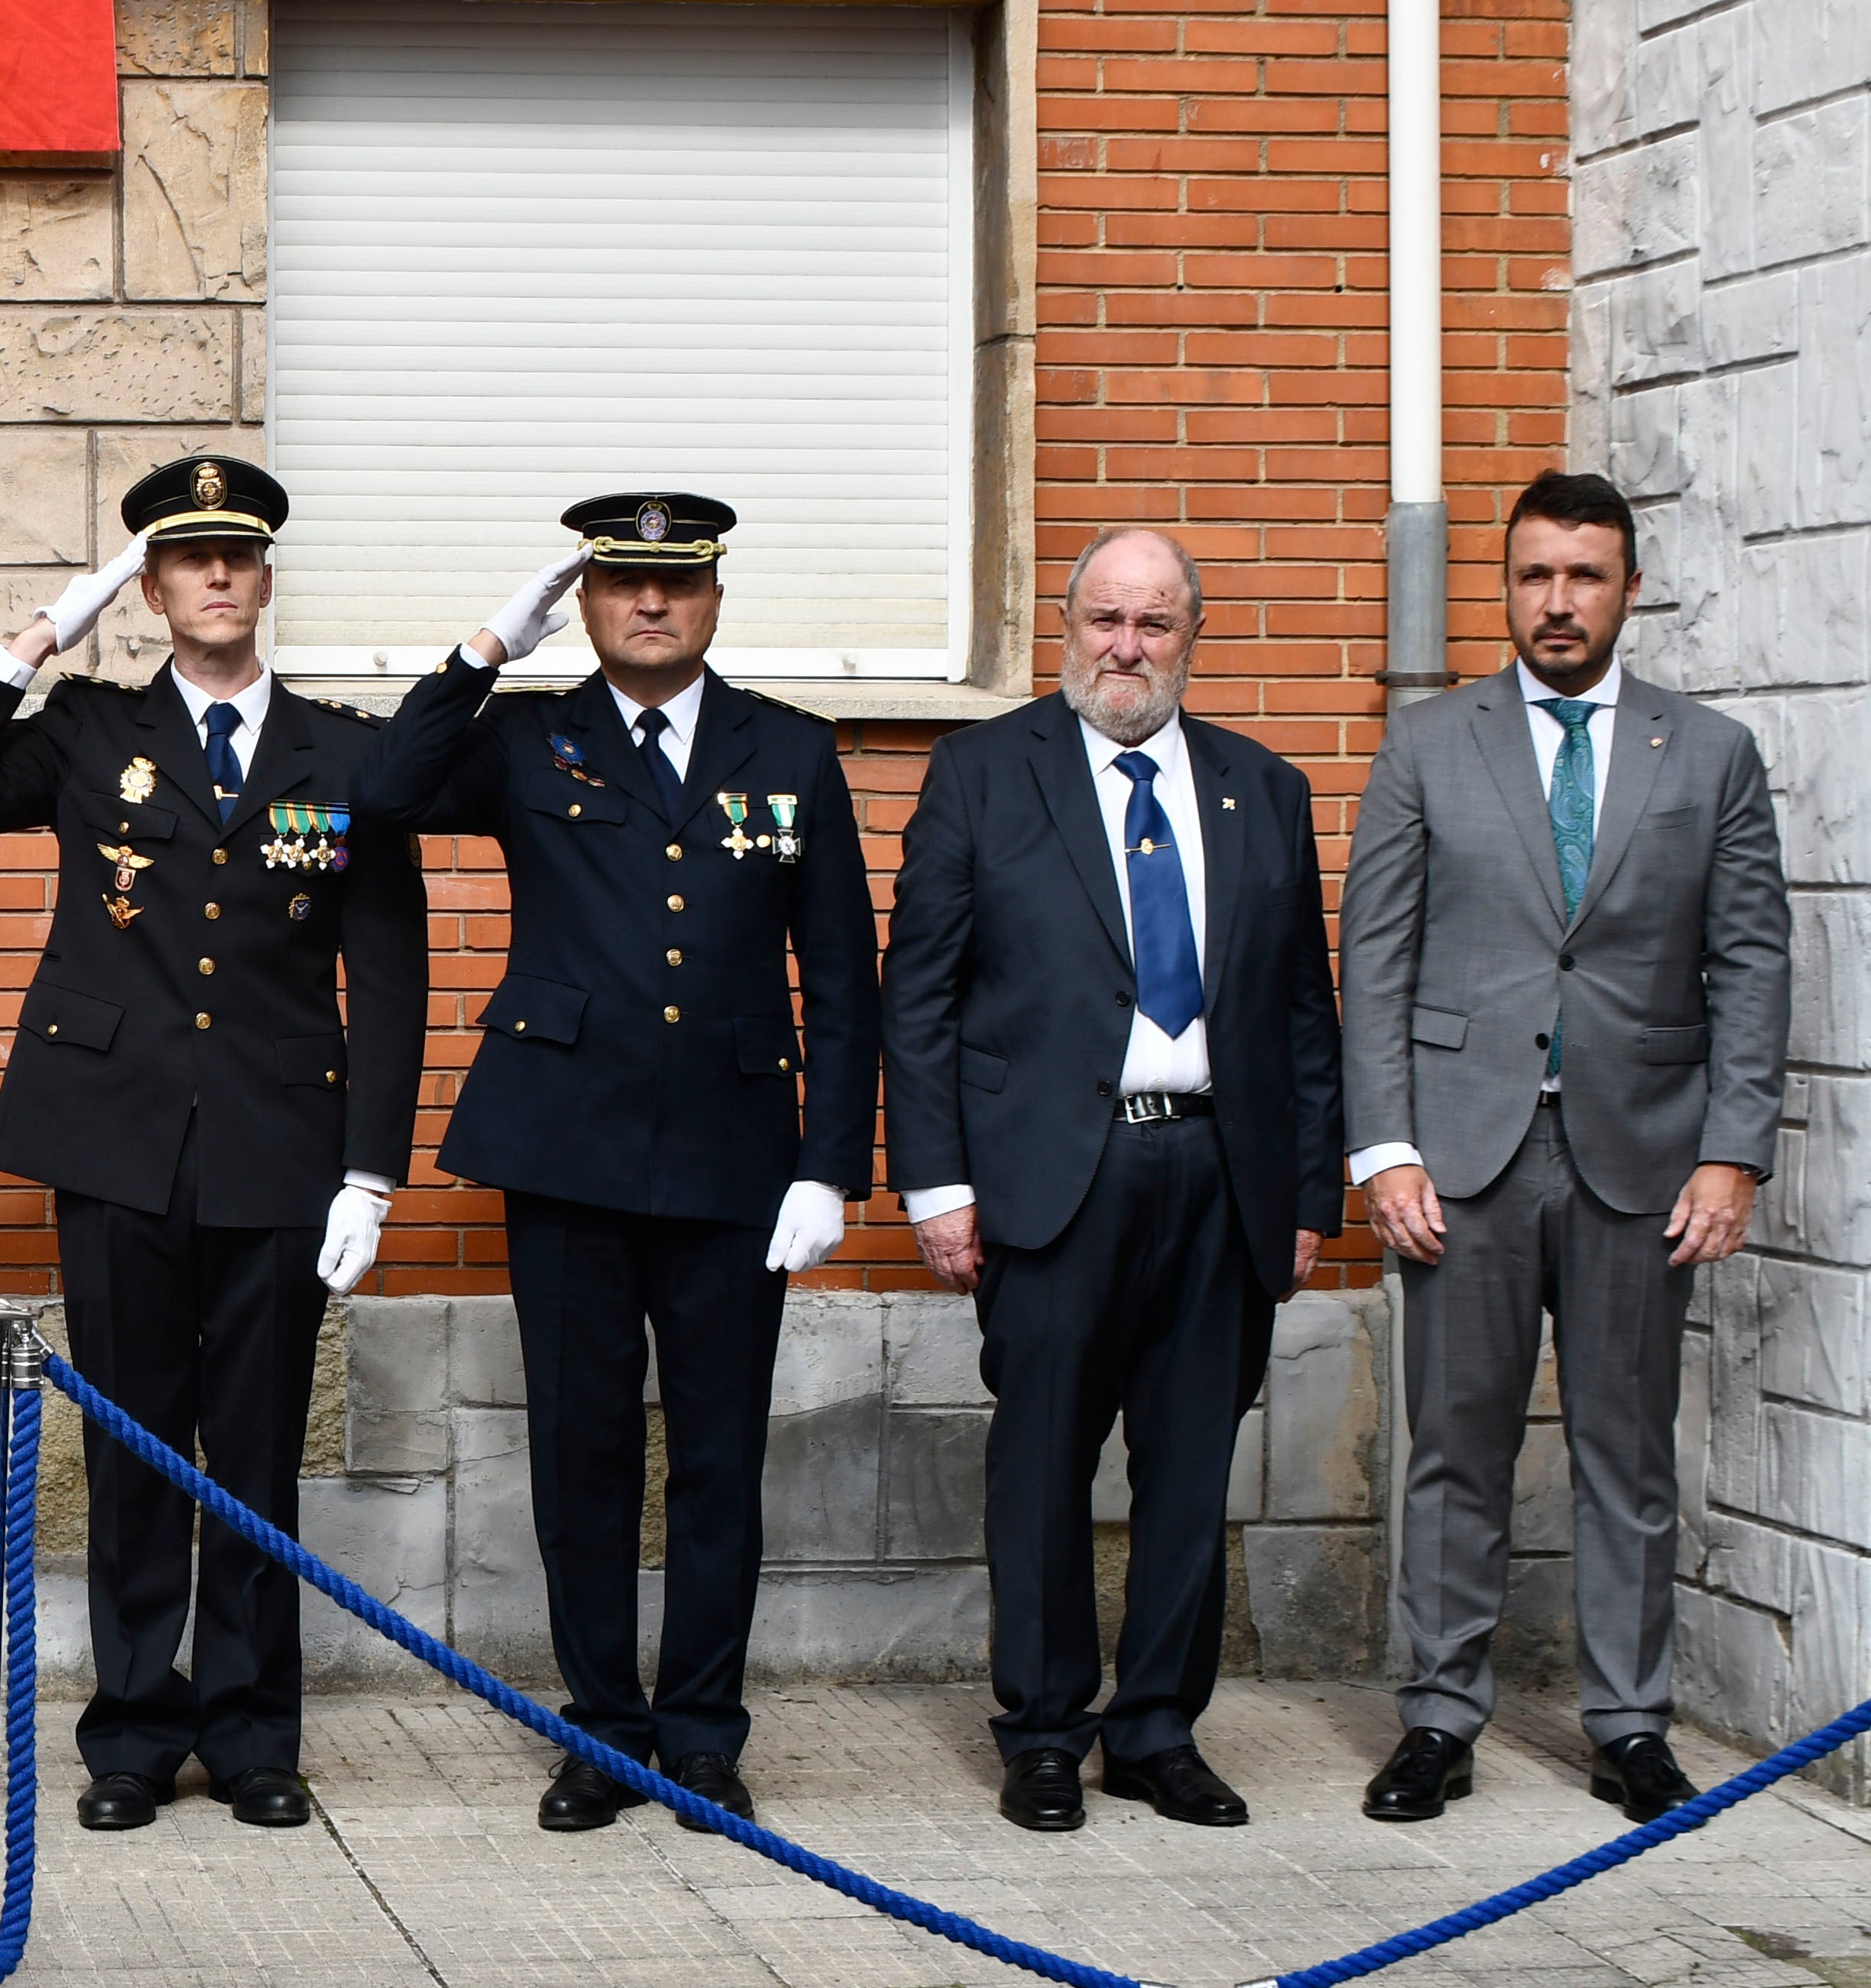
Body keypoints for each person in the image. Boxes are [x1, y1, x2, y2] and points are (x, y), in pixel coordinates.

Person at [0, 456, 425, 1834]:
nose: (214, 577)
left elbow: (393, 965)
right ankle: (131, 1730)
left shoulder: (343, 752)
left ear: (262, 579)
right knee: (131, 1450)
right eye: (186, 559)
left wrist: (371, 1168)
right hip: (118, 1140)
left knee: (252, 1453)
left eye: (235, 557)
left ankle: (251, 1733)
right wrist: (33, 637)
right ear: (149, 586)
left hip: (275, 1143)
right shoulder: (86, 729)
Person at [352, 492, 876, 1835]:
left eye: (677, 584)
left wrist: (829, 1162)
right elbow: (382, 793)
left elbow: (839, 972)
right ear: (583, 602)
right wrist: (483, 650)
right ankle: (601, 1731)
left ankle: (699, 1738)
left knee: (715, 1458)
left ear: (713, 599)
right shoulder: (527, 735)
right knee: (581, 1457)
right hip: (568, 1144)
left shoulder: (792, 749)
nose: (650, 604)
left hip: (732, 1155)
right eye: (620, 584)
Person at [1341, 469, 1790, 1828]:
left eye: (1583, 575)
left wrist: (1731, 1151)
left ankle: (1628, 1724)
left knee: (1624, 1451)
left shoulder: (1705, 753)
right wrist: (1382, 1148)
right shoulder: (1428, 745)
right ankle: (1436, 1718)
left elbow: (1750, 960)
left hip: (1641, 1159)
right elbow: (1374, 957)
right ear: (1504, 586)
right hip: (1461, 1157)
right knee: (1452, 1449)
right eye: (1534, 574)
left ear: (1626, 588)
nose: (1556, 600)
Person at [881, 528, 1341, 1834]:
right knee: (1037, 1466)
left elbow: (1302, 1009)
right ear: (1064, 625)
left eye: (1152, 624)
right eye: (1102, 620)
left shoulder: (1265, 786)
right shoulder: (980, 772)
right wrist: (934, 1186)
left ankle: (1152, 1729)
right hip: (1047, 1183)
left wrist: (1309, 1191)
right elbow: (918, 999)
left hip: (1219, 1172)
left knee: (1189, 1472)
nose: (1124, 648)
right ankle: (1040, 1729)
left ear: (1189, 638)